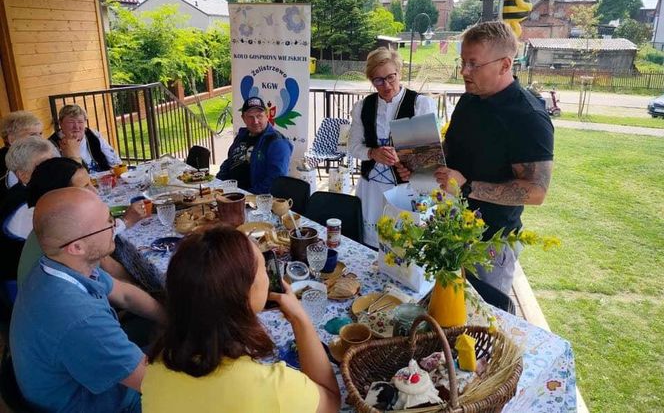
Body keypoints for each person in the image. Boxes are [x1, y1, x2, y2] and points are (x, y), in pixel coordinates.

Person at [398, 21, 554, 293]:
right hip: (449, 226)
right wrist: (420, 165)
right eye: (462, 62)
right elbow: (453, 146)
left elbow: (536, 191)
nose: (464, 72)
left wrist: (466, 186)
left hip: (490, 242)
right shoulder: (470, 99)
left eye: (473, 64)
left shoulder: (528, 117)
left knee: (483, 320)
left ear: (505, 65)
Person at [141, 225, 341, 413]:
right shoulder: (271, 387)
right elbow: (330, 402)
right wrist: (300, 319)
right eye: (264, 268)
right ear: (245, 295)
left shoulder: (153, 369)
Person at [10, 187, 165, 412]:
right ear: (76, 247)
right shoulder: (80, 318)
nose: (114, 226)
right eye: (107, 223)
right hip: (105, 403)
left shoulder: (61, 265)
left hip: (85, 381)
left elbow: (126, 295)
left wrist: (171, 319)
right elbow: (152, 383)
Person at [348, 47, 437, 247]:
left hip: (404, 189)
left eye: (391, 77)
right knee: (369, 244)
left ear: (399, 72)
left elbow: (430, 159)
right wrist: (372, 153)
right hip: (371, 188)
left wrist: (412, 167)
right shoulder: (363, 107)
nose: (386, 85)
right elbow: (353, 146)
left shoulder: (419, 104)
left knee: (401, 248)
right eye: (378, 80)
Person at [16, 157, 146, 286]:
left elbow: (115, 282)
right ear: (61, 197)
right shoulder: (68, 233)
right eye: (85, 187)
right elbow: (110, 268)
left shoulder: (52, 222)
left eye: (90, 183)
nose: (95, 191)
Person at [0, 137, 58, 298]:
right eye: (43, 166)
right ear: (23, 175)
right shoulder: (27, 207)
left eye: (52, 162)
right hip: (25, 287)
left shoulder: (31, 191)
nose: (53, 169)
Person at [216, 97, 293, 194]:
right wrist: (218, 183)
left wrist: (245, 196)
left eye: (259, 116)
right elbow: (229, 161)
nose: (255, 121)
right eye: (250, 117)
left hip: (255, 199)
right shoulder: (242, 136)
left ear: (267, 115)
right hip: (231, 193)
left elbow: (275, 180)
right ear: (243, 118)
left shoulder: (277, 143)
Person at [49, 104, 121, 172]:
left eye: (80, 122)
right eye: (71, 122)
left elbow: (113, 159)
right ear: (60, 123)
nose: (76, 127)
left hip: (104, 179)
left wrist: (119, 170)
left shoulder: (92, 134)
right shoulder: (52, 145)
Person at [0, 110, 43, 198]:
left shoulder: (40, 155)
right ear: (12, 139)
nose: (40, 139)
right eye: (33, 135)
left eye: (40, 134)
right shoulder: (5, 166)